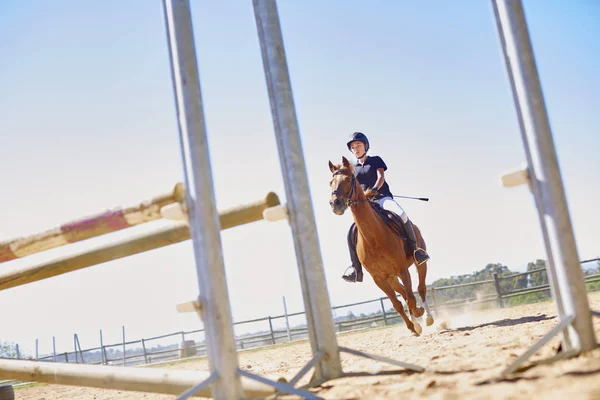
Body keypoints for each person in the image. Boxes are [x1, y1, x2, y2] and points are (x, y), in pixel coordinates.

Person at [341, 132, 430, 283]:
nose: (356, 149)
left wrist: (375, 189)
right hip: (367, 205)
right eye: (353, 147)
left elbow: (381, 177)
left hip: (382, 198)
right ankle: (356, 269)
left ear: (365, 146)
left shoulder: (375, 160)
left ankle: (416, 251)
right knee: (351, 232)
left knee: (401, 214)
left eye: (358, 145)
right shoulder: (353, 169)